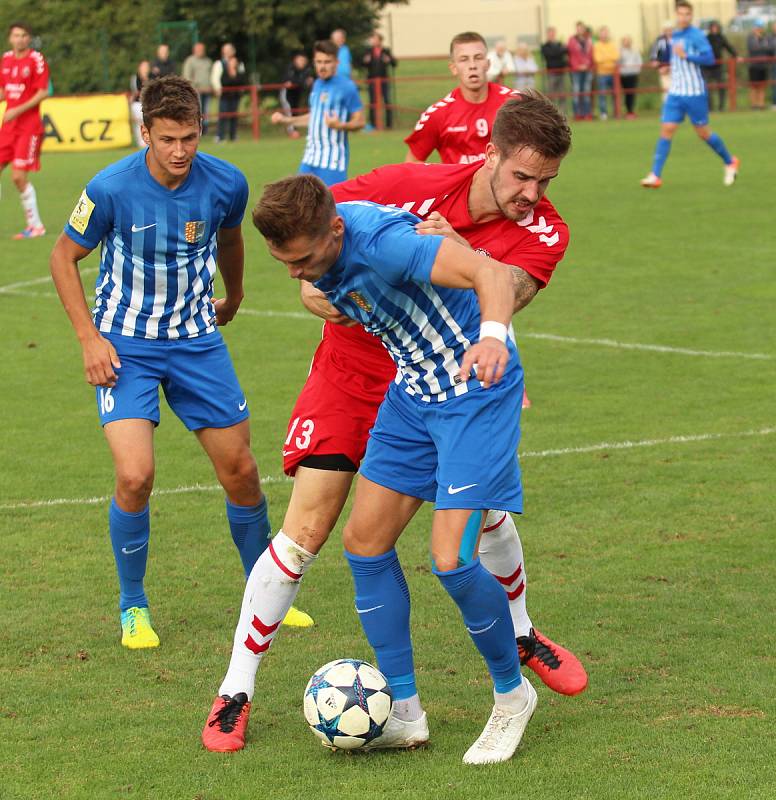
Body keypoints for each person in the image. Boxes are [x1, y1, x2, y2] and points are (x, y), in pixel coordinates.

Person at [201, 95, 587, 755]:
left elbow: (495, 277)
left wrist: (492, 333)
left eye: (543, 181)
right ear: (489, 155)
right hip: (398, 386)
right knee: (361, 542)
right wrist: (314, 284)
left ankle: (510, 687)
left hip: (470, 392)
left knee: (450, 555)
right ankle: (400, 711)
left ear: (334, 239)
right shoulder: (387, 200)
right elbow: (312, 215)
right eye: (522, 177)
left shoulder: (387, 244)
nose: (532, 194)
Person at [48, 76, 297, 652]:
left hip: (196, 343)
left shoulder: (226, 182)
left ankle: (264, 593)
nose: (180, 151)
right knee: (135, 475)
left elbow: (231, 239)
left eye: (189, 137)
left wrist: (233, 296)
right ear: (145, 134)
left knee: (240, 471)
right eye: (167, 139)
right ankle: (133, 604)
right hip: (125, 346)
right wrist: (89, 338)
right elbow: (64, 256)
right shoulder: (110, 187)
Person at [404, 31, 531, 405]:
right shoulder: (439, 114)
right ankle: (446, 374)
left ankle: (510, 378)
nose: (473, 66)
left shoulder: (514, 105)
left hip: (502, 221)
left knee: (501, 287)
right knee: (454, 298)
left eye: (478, 58)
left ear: (488, 62)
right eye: (465, 60)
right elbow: (412, 166)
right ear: (453, 67)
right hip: (454, 222)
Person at [641, 1, 738, 189]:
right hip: (676, 92)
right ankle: (655, 175)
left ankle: (730, 161)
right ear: (676, 15)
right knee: (666, 130)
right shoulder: (675, 35)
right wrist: (668, 67)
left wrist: (687, 56)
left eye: (687, 14)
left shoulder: (697, 35)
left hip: (694, 93)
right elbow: (678, 60)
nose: (683, 17)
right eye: (680, 14)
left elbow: (710, 58)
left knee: (703, 133)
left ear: (691, 16)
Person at [270, 40, 364, 186]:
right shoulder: (317, 84)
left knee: (331, 207)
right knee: (299, 204)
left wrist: (341, 125)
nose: (322, 66)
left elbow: (360, 121)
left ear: (336, 62)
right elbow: (315, 117)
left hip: (332, 161)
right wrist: (286, 120)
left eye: (327, 62)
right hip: (310, 158)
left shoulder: (347, 87)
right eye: (319, 62)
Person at [0, 20, 48, 239]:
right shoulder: (6, 59)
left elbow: (42, 93)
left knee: (18, 177)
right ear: (10, 38)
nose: (19, 39)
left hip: (28, 128)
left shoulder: (36, 59)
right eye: (16, 35)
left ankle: (36, 226)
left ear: (28, 38)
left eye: (23, 35)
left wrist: (16, 110)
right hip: (8, 127)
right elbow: (4, 91)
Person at [362, 32, 397, 129]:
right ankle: (373, 125)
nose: (373, 41)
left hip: (384, 80)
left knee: (387, 102)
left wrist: (389, 60)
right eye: (372, 39)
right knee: (373, 102)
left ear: (380, 40)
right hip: (372, 81)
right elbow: (363, 64)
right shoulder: (368, 51)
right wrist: (365, 61)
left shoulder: (386, 51)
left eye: (375, 39)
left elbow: (394, 63)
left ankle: (389, 125)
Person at [703, 21, 737, 112]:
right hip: (707, 67)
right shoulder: (706, 38)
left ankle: (721, 107)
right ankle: (710, 108)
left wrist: (735, 55)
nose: (714, 29)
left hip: (718, 66)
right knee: (708, 88)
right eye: (713, 27)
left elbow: (728, 47)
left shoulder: (721, 37)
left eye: (716, 27)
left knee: (721, 86)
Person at [278, 52, 313, 139]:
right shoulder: (290, 68)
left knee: (295, 112)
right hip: (287, 94)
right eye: (300, 60)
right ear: (295, 60)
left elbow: (305, 81)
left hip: (296, 94)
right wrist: (301, 82)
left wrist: (301, 82)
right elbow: (289, 80)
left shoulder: (306, 70)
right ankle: (292, 131)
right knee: (289, 111)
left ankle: (295, 130)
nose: (302, 62)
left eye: (304, 61)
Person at [182, 42, 213, 134]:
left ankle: (205, 130)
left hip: (207, 90)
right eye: (199, 49)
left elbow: (212, 75)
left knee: (207, 110)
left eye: (202, 49)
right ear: (194, 50)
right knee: (196, 111)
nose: (201, 51)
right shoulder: (190, 61)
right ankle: (196, 130)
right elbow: (187, 77)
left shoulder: (208, 61)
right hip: (196, 92)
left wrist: (211, 87)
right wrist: (195, 88)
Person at [567, 21, 594, 119]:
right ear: (576, 29)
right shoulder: (571, 40)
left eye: (582, 28)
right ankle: (577, 114)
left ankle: (587, 114)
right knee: (576, 91)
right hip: (576, 70)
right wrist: (578, 66)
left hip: (587, 69)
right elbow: (571, 55)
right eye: (578, 28)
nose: (580, 30)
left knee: (586, 92)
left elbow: (591, 54)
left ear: (584, 29)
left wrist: (587, 65)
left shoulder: (589, 40)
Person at [217, 54, 246, 141]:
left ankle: (233, 136)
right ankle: (221, 136)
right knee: (223, 116)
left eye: (235, 62)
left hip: (235, 97)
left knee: (234, 116)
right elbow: (224, 82)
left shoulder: (239, 73)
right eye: (232, 62)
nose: (234, 64)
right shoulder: (225, 72)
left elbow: (241, 82)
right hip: (225, 98)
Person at [593, 26, 619, 119]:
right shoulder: (596, 45)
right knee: (602, 94)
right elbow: (597, 59)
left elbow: (616, 57)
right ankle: (603, 113)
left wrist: (605, 57)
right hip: (601, 74)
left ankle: (616, 112)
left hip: (613, 73)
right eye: (602, 33)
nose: (604, 35)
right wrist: (609, 58)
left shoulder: (612, 45)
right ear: (600, 35)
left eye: (605, 33)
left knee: (615, 94)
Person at [540, 27, 568, 110]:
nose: (552, 35)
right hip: (551, 73)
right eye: (550, 33)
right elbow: (549, 55)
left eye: (553, 33)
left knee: (562, 94)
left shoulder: (559, 44)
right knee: (551, 95)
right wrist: (559, 51)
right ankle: (552, 112)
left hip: (561, 72)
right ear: (547, 34)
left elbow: (564, 52)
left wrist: (558, 51)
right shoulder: (545, 46)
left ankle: (562, 112)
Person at [746, 23, 772, 110]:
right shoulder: (750, 38)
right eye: (757, 28)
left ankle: (761, 104)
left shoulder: (765, 38)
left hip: (763, 66)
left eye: (760, 28)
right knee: (754, 86)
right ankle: (754, 105)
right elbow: (753, 48)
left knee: (762, 86)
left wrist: (762, 44)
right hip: (754, 66)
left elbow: (769, 48)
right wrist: (760, 43)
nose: (758, 30)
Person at [618, 36, 642, 119]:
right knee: (624, 93)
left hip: (633, 74)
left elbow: (639, 61)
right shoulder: (619, 51)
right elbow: (618, 62)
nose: (627, 43)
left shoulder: (635, 51)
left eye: (628, 41)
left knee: (631, 94)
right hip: (623, 75)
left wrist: (636, 70)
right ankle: (622, 111)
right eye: (625, 41)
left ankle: (630, 111)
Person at [649, 22, 673, 100]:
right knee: (667, 91)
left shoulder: (678, 38)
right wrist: (658, 65)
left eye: (670, 29)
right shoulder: (660, 40)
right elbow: (654, 53)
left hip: (678, 68)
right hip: (664, 69)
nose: (668, 32)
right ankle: (668, 109)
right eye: (666, 30)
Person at [130, 60, 151, 147]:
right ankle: (141, 142)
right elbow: (136, 92)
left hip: (150, 103)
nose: (145, 69)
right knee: (140, 123)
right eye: (143, 67)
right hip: (138, 103)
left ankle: (149, 140)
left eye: (146, 67)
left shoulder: (152, 77)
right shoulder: (135, 78)